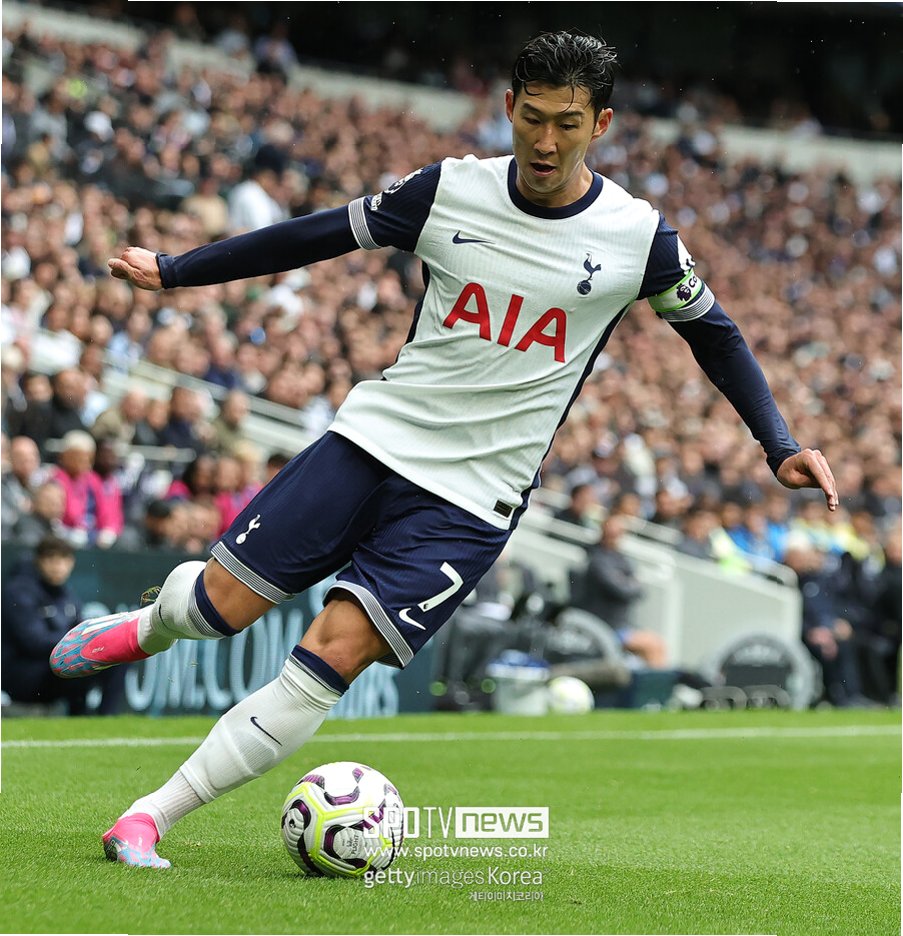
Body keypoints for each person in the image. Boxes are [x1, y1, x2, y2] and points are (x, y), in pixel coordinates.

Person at [49, 30, 838, 869]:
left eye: (566, 124)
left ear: (600, 125)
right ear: (508, 107)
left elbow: (715, 334)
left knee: (332, 655)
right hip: (372, 442)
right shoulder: (448, 190)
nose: (544, 141)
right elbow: (317, 235)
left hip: (472, 499)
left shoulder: (636, 238)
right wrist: (177, 270)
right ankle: (150, 624)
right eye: (531, 118)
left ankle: (148, 818)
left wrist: (777, 445)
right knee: (214, 612)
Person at [2, 536, 126, 714]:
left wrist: (94, 640)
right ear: (38, 561)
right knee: (79, 664)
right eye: (51, 558)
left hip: (53, 669)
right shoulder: (18, 591)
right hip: (22, 674)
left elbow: (78, 628)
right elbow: (34, 643)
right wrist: (80, 640)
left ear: (71, 562)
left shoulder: (67, 595)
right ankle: (79, 717)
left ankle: (105, 720)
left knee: (115, 658)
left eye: (63, 559)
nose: (57, 566)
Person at [569, 513, 667, 667]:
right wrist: (629, 583)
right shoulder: (597, 558)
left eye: (618, 533)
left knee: (657, 644)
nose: (614, 537)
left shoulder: (621, 558)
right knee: (652, 645)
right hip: (605, 625)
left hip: (622, 625)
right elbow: (621, 589)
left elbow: (639, 590)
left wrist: (628, 582)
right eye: (611, 532)